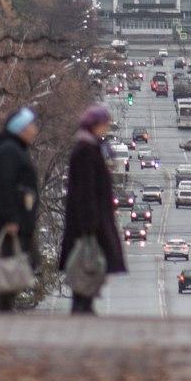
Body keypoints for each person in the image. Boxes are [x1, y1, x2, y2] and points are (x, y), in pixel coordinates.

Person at [59, 103, 126, 315]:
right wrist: (90, 223)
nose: (106, 128)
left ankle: (84, 301)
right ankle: (82, 302)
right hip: (89, 221)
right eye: (104, 124)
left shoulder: (90, 147)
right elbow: (86, 189)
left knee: (90, 261)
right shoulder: (85, 151)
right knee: (87, 260)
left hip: (91, 218)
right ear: (95, 125)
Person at [0, 106, 42, 312]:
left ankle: (4, 303)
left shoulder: (16, 149)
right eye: (31, 126)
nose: (34, 130)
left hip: (21, 219)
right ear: (21, 128)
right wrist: (11, 218)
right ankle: (2, 304)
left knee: (23, 262)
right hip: (14, 221)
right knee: (15, 262)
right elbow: (4, 185)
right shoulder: (10, 151)